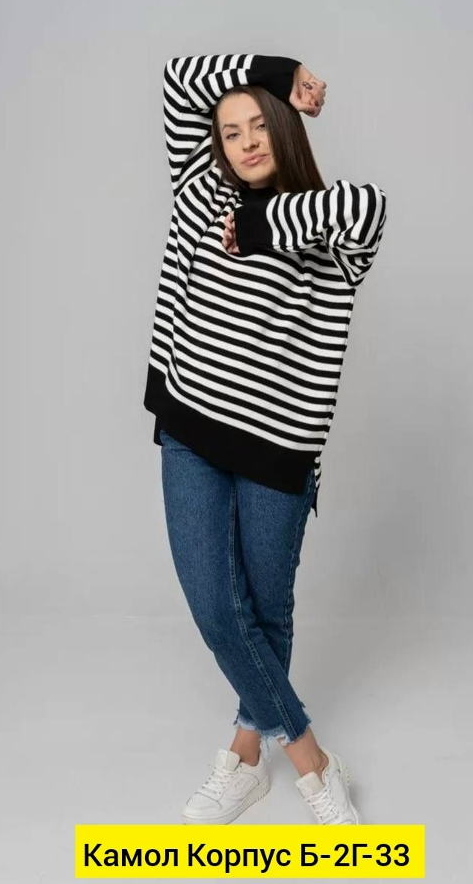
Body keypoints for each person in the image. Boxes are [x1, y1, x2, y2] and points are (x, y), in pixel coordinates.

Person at [143, 52, 388, 825]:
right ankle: (312, 761)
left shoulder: (328, 234)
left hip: (277, 451)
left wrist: (256, 226)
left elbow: (371, 207)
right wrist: (281, 71)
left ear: (284, 131)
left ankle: (246, 758)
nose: (246, 141)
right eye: (231, 131)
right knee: (220, 609)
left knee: (267, 609)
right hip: (191, 431)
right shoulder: (200, 190)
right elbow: (180, 76)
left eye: (259, 126)